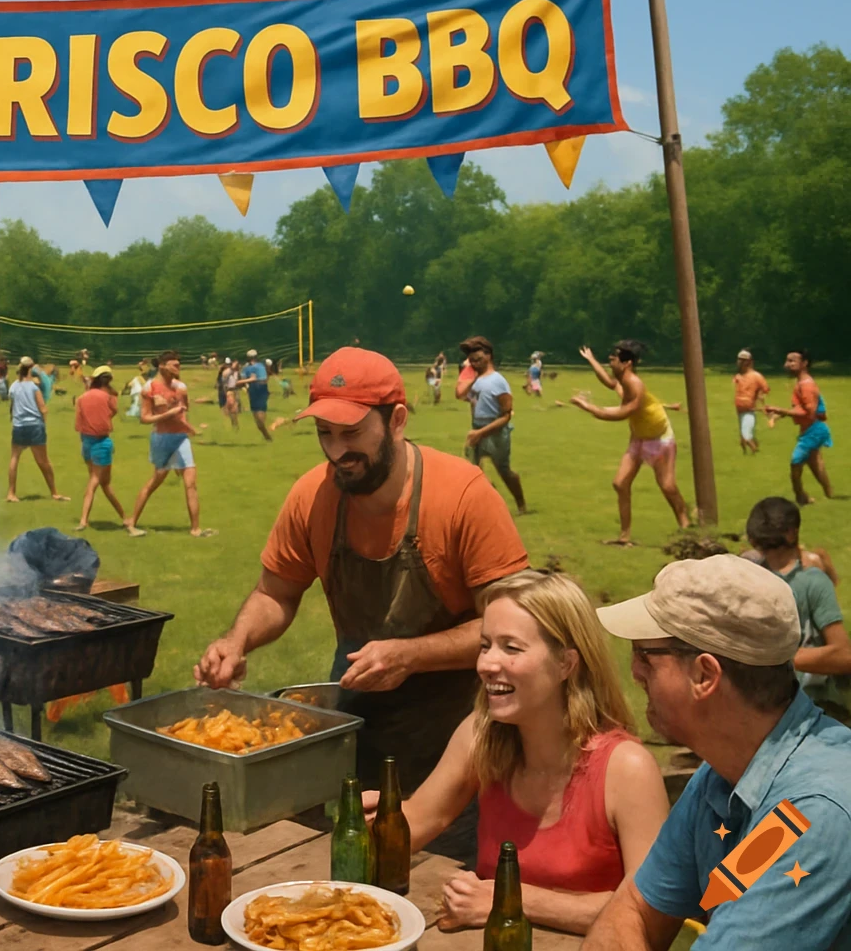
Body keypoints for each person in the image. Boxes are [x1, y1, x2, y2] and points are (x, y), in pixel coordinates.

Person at [195, 347, 529, 855]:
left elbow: (515, 630)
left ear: (397, 420)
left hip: (459, 736)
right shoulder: (312, 497)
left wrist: (411, 655)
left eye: (351, 433)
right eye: (324, 433)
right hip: (353, 717)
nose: (337, 452)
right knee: (346, 863)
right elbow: (275, 592)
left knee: (437, 873)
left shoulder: (462, 496)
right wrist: (237, 640)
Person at [363, 570, 668, 934]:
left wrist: (512, 900)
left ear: (566, 663)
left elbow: (653, 911)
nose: (486, 665)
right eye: (485, 645)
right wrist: (374, 822)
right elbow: (418, 822)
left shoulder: (626, 768)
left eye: (511, 647)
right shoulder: (481, 735)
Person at [585, 556, 851, 950]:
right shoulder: (723, 772)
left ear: (704, 676)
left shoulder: (813, 811)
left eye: (645, 655)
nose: (635, 672)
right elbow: (634, 911)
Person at [742, 497, 851, 723]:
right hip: (787, 708)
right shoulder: (751, 578)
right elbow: (844, 655)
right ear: (792, 533)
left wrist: (773, 658)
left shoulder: (749, 579)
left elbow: (843, 655)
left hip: (796, 707)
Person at [571, 342, 690, 546]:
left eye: (614, 358)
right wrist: (591, 360)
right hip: (638, 438)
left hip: (659, 439)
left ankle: (686, 525)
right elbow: (610, 383)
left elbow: (620, 414)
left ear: (626, 364)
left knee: (667, 486)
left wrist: (586, 406)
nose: (610, 360)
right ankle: (624, 536)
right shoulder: (623, 380)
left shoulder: (635, 384)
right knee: (620, 483)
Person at [124, 350, 213, 538]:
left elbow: (183, 411)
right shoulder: (149, 388)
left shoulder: (181, 387)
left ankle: (195, 529)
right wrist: (167, 414)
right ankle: (132, 522)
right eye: (175, 365)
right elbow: (144, 418)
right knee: (155, 481)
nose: (179, 368)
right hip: (162, 438)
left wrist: (188, 427)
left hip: (181, 438)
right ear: (162, 366)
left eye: (179, 365)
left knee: (191, 483)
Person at [456, 337, 527, 514]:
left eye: (478, 359)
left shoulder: (498, 381)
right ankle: (489, 500)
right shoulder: (475, 380)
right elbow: (460, 394)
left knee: (503, 470)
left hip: (495, 432)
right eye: (471, 360)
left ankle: (521, 505)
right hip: (477, 428)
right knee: (472, 471)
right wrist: (468, 373)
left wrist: (480, 433)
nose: (475, 363)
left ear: (488, 355)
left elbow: (506, 416)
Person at [765, 348, 833, 505]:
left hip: (814, 430)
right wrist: (777, 416)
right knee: (815, 463)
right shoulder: (801, 383)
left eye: (792, 361)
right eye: (787, 360)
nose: (787, 364)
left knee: (795, 463)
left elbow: (809, 413)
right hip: (811, 429)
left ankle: (801, 497)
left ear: (804, 363)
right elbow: (798, 408)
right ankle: (829, 495)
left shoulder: (806, 386)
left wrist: (779, 410)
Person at [5, 359, 67, 503]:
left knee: (14, 458)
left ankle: (11, 493)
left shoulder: (14, 386)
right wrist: (43, 423)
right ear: (30, 370)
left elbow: (12, 406)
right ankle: (54, 492)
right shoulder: (33, 387)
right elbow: (43, 408)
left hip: (19, 426)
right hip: (35, 426)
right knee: (43, 461)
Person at [75, 366, 127, 530]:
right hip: (101, 442)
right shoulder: (108, 397)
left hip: (86, 442)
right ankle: (84, 520)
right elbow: (114, 411)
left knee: (103, 483)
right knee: (96, 481)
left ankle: (125, 517)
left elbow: (78, 424)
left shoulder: (82, 398)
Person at [732, 350, 769, 455]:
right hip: (739, 409)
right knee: (744, 437)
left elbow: (765, 389)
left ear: (748, 362)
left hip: (749, 409)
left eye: (742, 360)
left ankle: (755, 454)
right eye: (739, 359)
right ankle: (748, 454)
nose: (739, 362)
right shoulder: (738, 376)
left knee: (746, 435)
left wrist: (760, 396)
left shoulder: (756, 376)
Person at [240, 349, 274, 441]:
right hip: (258, 388)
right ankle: (265, 433)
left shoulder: (249, 367)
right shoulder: (259, 366)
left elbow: (244, 379)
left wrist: (245, 384)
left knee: (258, 412)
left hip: (256, 388)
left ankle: (265, 432)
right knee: (258, 411)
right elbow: (264, 379)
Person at [221, 359, 242, 431]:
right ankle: (234, 423)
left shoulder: (237, 372)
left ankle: (235, 422)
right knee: (232, 407)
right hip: (229, 390)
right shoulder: (227, 371)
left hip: (235, 390)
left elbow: (239, 380)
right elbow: (224, 377)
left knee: (235, 408)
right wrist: (231, 370)